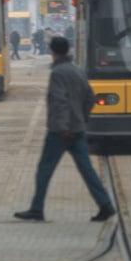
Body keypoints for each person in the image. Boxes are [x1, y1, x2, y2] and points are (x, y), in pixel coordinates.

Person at [14, 36, 116, 223]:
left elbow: (59, 102)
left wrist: (63, 129)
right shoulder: (78, 71)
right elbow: (90, 98)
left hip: (60, 132)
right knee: (86, 169)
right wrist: (82, 120)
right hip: (77, 129)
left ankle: (37, 209)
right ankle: (105, 204)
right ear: (68, 50)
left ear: (53, 52)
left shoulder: (58, 73)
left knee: (44, 169)